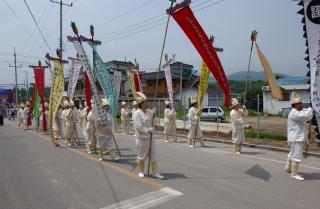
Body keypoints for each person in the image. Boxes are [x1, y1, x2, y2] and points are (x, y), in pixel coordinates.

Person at [132, 92, 164, 179]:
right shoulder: (137, 113)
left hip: (150, 137)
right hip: (142, 138)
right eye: (145, 102)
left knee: (154, 154)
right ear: (141, 104)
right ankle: (141, 171)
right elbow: (138, 126)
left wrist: (154, 115)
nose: (147, 103)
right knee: (142, 155)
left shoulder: (150, 112)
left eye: (147, 101)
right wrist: (147, 130)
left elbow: (155, 122)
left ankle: (155, 173)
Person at [285, 91, 313, 181]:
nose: (302, 106)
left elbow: (302, 124)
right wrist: (311, 108)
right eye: (301, 104)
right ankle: (294, 173)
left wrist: (307, 133)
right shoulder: (294, 113)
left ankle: (288, 168)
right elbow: (306, 116)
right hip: (296, 138)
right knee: (296, 155)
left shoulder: (296, 112)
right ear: (296, 105)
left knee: (292, 153)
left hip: (296, 137)